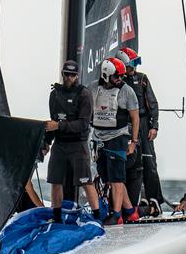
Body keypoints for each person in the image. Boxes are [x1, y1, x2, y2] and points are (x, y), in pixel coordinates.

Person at [43, 60, 100, 223]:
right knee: (55, 180)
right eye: (66, 74)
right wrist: (46, 142)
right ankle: (56, 216)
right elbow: (53, 122)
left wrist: (58, 126)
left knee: (85, 181)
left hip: (78, 144)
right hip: (60, 144)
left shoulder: (84, 94)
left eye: (72, 75)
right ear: (62, 74)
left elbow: (83, 124)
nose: (69, 78)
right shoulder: (55, 94)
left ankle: (97, 216)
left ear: (77, 76)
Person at [88, 57, 140, 225]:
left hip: (119, 136)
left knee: (117, 178)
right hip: (99, 137)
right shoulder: (93, 88)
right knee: (108, 177)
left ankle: (117, 215)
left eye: (121, 76)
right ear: (106, 75)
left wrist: (133, 141)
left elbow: (135, 117)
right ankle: (130, 211)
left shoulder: (127, 91)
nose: (120, 80)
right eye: (116, 76)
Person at [117, 47, 164, 213]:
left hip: (143, 125)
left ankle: (154, 199)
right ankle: (132, 201)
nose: (133, 68)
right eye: (130, 65)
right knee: (130, 164)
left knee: (149, 162)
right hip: (125, 126)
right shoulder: (118, 82)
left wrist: (154, 125)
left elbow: (152, 103)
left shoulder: (142, 79)